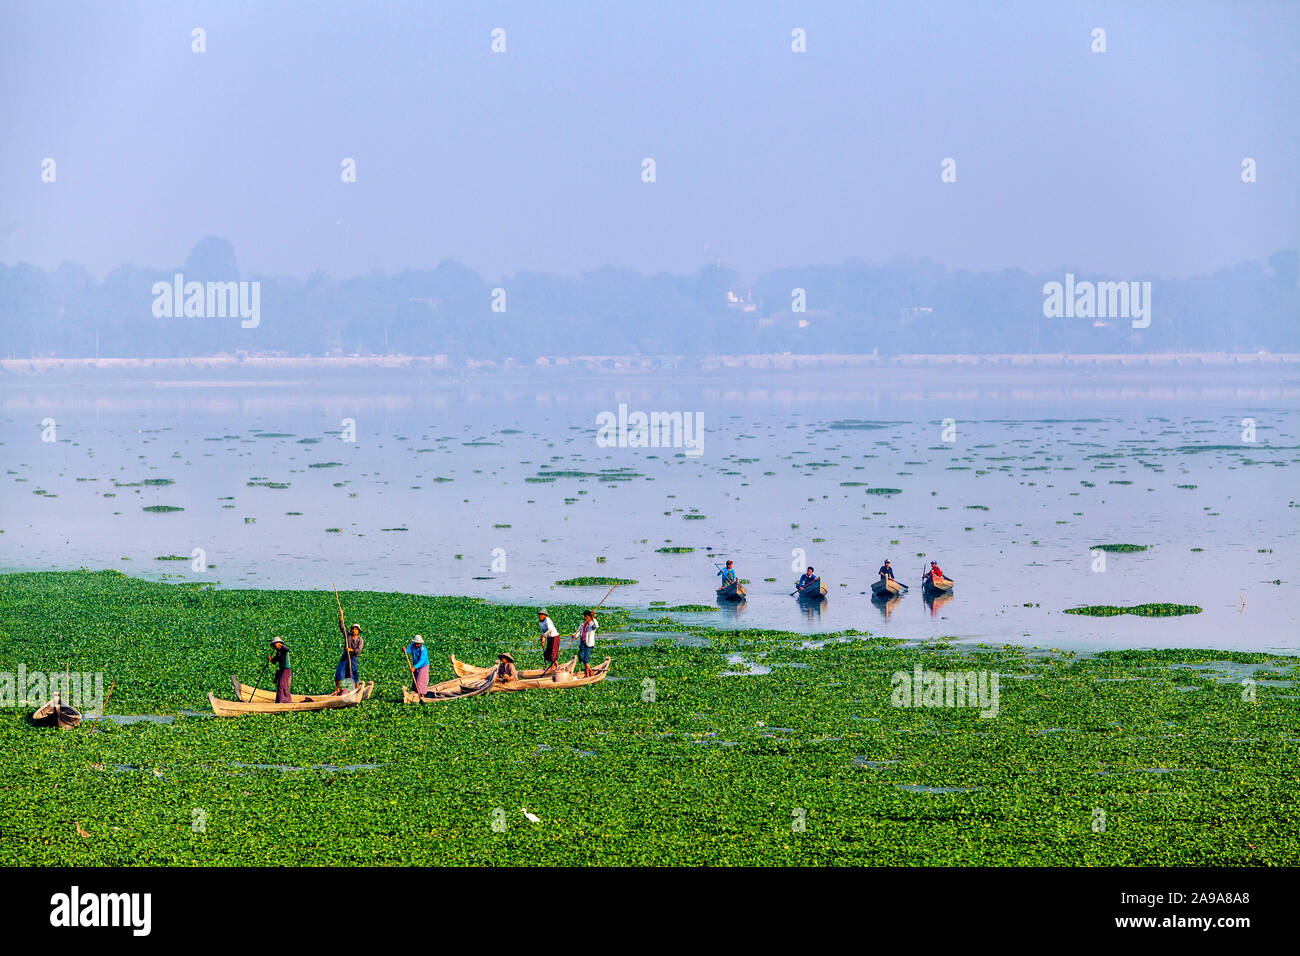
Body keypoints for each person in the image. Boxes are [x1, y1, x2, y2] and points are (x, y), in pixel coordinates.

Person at [335, 609, 364, 694]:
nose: (354, 630)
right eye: (353, 629)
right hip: (345, 657)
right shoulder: (348, 636)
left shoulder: (360, 640)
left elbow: (358, 650)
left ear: (358, 631)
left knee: (353, 673)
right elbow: (342, 627)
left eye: (356, 629)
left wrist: (351, 650)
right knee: (340, 672)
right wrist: (341, 616)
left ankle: (356, 690)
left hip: (353, 657)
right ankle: (337, 689)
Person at [575, 609, 598, 678]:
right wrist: (574, 635)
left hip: (588, 644)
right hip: (582, 643)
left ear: (589, 617)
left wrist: (593, 617)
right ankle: (590, 672)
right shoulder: (582, 624)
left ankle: (588, 674)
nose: (585, 618)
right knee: (581, 657)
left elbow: (597, 626)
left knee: (586, 659)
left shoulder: (592, 625)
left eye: (586, 617)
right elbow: (578, 632)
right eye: (584, 617)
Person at [268, 637, 292, 703]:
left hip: (286, 670)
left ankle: (285, 700)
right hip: (281, 670)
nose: (274, 647)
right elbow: (274, 661)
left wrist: (281, 645)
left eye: (275, 645)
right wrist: (271, 659)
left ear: (279, 644)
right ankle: (280, 700)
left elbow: (288, 649)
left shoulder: (283, 650)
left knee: (282, 684)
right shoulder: (278, 653)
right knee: (280, 684)